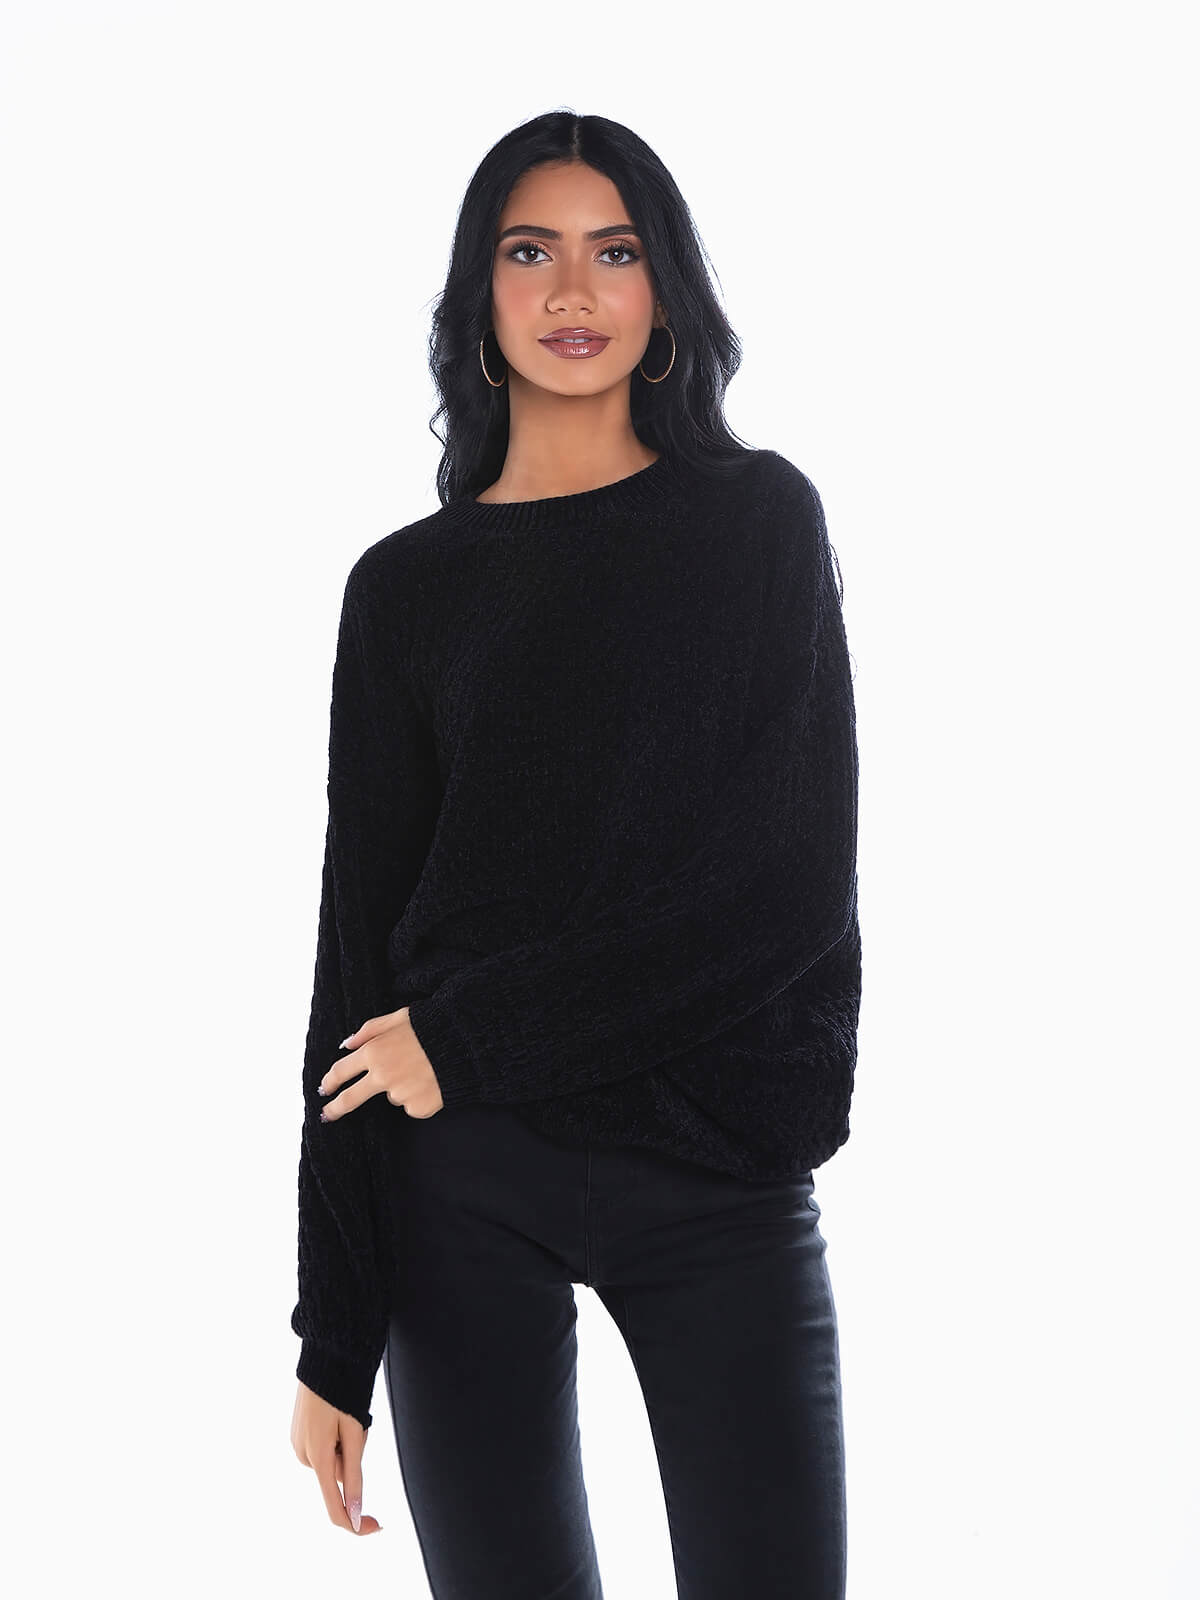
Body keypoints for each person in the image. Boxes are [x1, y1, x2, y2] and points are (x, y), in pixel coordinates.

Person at [289, 109, 861, 1600]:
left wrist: (478, 1033)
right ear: (477, 293)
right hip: (459, 1184)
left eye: (613, 253)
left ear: (666, 286)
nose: (569, 292)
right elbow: (355, 961)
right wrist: (332, 1332)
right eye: (527, 252)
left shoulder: (757, 524)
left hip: (715, 1163)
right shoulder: (405, 591)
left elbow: (790, 889)